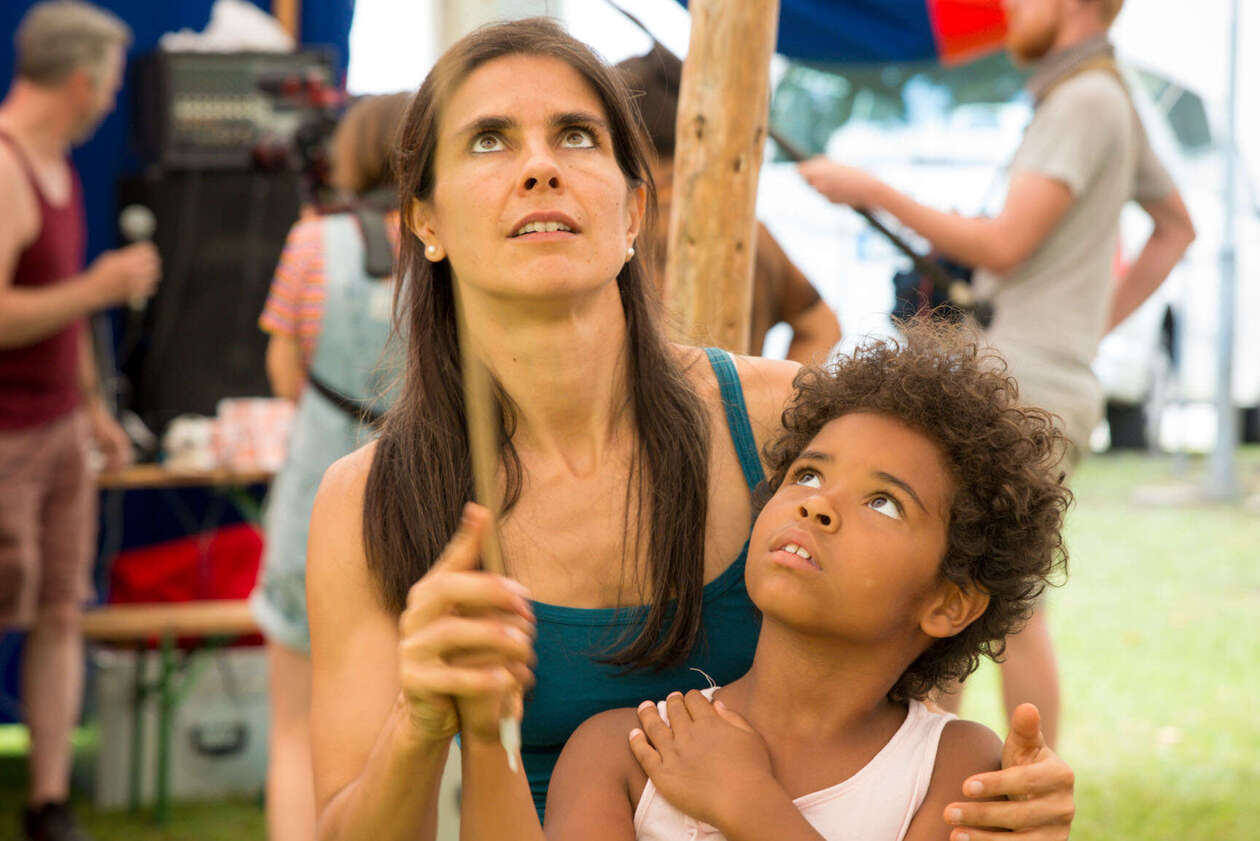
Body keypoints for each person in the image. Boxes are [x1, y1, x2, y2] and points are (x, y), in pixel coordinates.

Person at [305, 19, 1075, 841]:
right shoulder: (369, 500)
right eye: (489, 140)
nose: (539, 166)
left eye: (575, 135)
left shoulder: (787, 424)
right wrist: (420, 725)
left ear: (634, 208)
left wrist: (999, 801)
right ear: (426, 221)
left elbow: (913, 678)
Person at [457, 321, 1072, 841]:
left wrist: (752, 806)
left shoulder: (955, 768)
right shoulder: (622, 752)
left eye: (883, 502)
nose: (817, 505)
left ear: (949, 602)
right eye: (806, 475)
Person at [797, 0, 1196, 748]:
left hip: (1026, 385)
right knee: (964, 585)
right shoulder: (1105, 92)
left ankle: (1021, 782)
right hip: (1044, 373)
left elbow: (1007, 245)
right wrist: (1086, 326)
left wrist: (872, 190)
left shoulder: (1085, 99)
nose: (1006, 8)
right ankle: (935, 769)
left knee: (1002, 600)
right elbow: (1176, 229)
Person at [0, 3, 159, 840]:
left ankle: (48, 803)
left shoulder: (54, 165)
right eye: (110, 85)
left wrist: (94, 408)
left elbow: (64, 318)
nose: (111, 103)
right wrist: (98, 288)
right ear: (80, 81)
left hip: (58, 432)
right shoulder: (3, 170)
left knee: (63, 609)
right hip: (6, 441)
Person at [251, 91, 410, 841]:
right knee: (416, 729)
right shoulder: (452, 241)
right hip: (421, 498)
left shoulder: (311, 242)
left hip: (316, 489)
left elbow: (285, 374)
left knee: (294, 728)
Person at [617, 45, 842, 365]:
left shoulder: (620, 232)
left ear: (627, 135)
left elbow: (821, 327)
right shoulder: (750, 233)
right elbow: (822, 326)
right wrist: (773, 407)